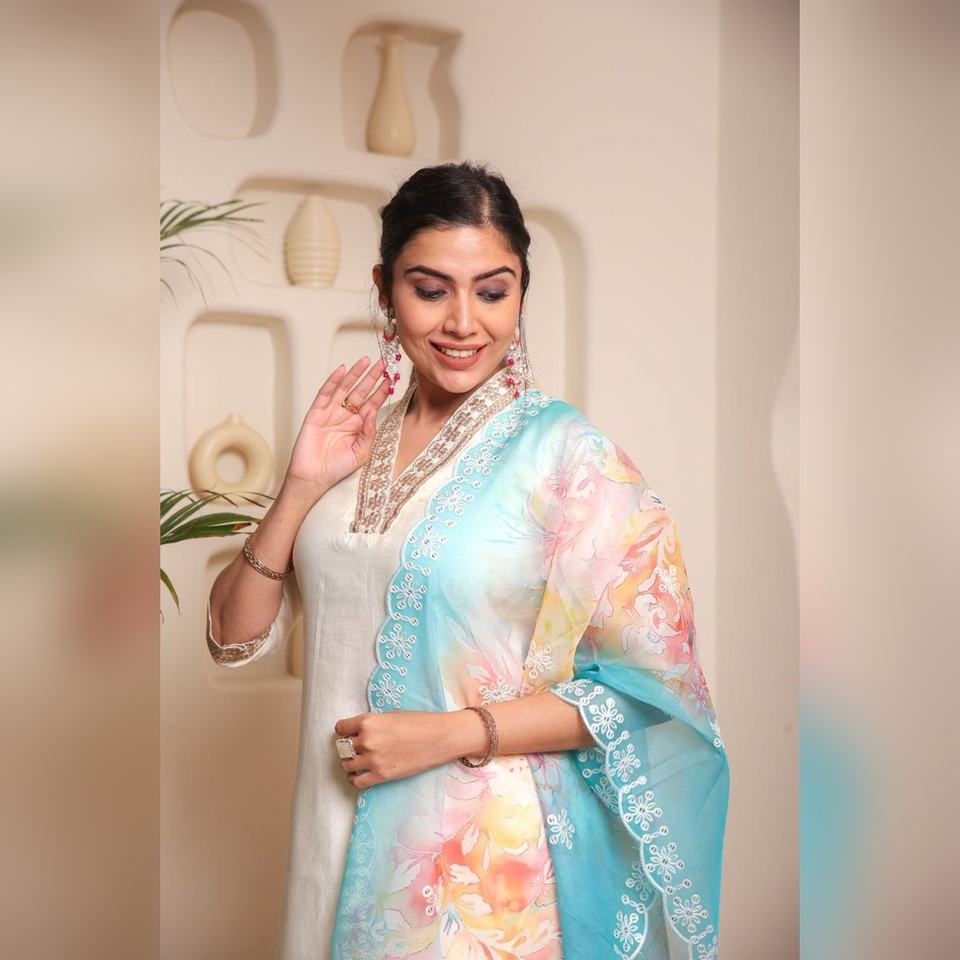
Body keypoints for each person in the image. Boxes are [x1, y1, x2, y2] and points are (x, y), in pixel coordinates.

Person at [206, 161, 729, 960]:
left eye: (492, 292)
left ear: (521, 295)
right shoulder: (348, 443)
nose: (462, 322)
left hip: (477, 871)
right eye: (430, 289)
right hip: (326, 835)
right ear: (385, 290)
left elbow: (649, 687)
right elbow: (231, 636)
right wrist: (299, 487)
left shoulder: (566, 458)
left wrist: (449, 734)